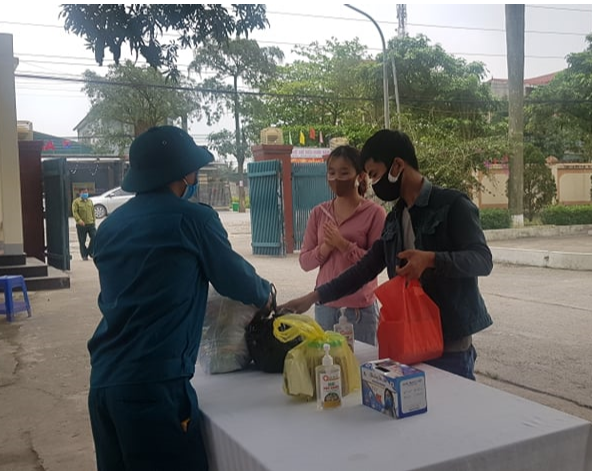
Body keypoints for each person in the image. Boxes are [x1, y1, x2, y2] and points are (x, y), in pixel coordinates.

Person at [87, 126, 273, 471]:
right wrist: (267, 295)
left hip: (104, 385)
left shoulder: (110, 227)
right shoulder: (193, 219)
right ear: (184, 173)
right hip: (153, 389)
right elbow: (235, 279)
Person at [281, 129, 493, 381]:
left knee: (453, 415)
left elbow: (482, 259)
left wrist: (432, 259)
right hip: (408, 336)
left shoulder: (452, 205)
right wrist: (314, 296)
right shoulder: (394, 219)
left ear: (397, 166)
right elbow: (365, 269)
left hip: (449, 341)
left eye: (374, 174)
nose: (372, 182)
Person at [299, 145, 386, 344]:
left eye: (344, 172)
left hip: (360, 311)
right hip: (325, 308)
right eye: (332, 173)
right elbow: (305, 262)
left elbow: (376, 263)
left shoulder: (375, 214)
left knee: (358, 370)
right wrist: (325, 249)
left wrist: (343, 244)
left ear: (360, 176)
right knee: (327, 368)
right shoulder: (319, 213)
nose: (337, 178)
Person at [71, 187, 96, 260]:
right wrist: (79, 220)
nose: (86, 194)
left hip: (90, 223)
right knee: (82, 241)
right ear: (80, 193)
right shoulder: (76, 202)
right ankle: (84, 255)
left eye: (86, 192)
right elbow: (75, 212)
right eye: (84, 192)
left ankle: (90, 251)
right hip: (81, 224)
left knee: (95, 237)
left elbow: (93, 212)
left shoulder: (90, 201)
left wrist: (94, 221)